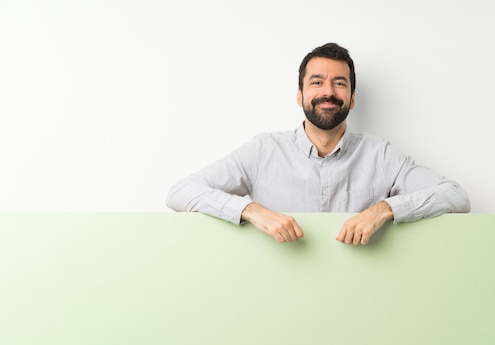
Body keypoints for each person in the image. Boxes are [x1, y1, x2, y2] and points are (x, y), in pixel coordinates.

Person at [166, 42, 470, 245]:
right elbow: (180, 193)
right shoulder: (264, 151)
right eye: (316, 82)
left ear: (352, 99)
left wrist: (383, 210)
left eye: (340, 83)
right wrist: (254, 211)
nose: (328, 91)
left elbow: (455, 197)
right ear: (300, 95)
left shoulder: (381, 155)